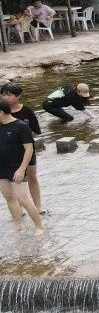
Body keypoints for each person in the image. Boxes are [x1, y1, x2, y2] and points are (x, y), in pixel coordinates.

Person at [0, 99, 44, 236]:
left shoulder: (21, 126)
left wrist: (21, 169)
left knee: (23, 198)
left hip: (17, 168)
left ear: (1, 112)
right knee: (9, 197)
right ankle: (18, 225)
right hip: (1, 168)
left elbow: (29, 150)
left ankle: (39, 226)